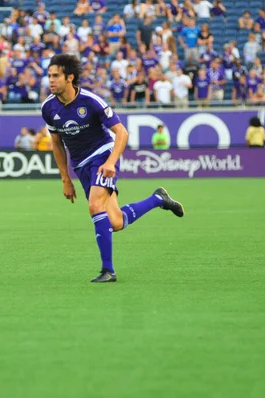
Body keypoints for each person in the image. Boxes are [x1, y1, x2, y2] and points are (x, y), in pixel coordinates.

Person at [41, 54, 184, 283]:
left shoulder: (91, 101)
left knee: (94, 204)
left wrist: (110, 162)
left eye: (56, 76)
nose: (51, 80)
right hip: (80, 165)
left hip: (102, 154)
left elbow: (122, 133)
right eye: (49, 76)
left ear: (70, 77)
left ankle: (108, 270)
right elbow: (57, 143)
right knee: (115, 222)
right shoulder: (48, 107)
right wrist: (65, 178)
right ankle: (158, 199)